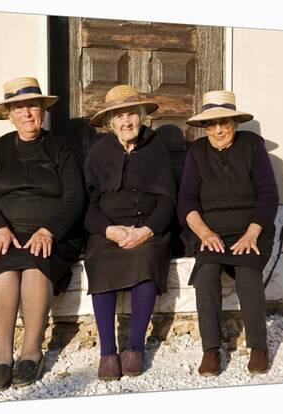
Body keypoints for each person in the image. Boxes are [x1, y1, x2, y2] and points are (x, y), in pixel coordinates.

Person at [0, 77, 85, 391]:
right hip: (5, 233)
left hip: (52, 234)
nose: (27, 113)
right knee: (5, 270)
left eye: (32, 105)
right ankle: (3, 355)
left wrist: (50, 230)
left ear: (42, 110)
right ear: (9, 114)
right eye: (19, 108)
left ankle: (31, 351)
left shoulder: (61, 148)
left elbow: (76, 196)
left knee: (35, 266)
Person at [177, 90, 279, 376]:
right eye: (212, 124)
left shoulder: (252, 146)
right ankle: (211, 350)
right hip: (212, 232)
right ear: (205, 127)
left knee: (247, 271)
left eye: (225, 122)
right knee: (207, 273)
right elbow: (186, 200)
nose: (219, 129)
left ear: (235, 123)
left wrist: (252, 234)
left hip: (250, 229)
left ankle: (258, 345)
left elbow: (269, 195)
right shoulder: (196, 152)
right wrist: (205, 233)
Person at [83, 85, 177, 381]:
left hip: (148, 228)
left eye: (131, 115)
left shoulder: (156, 148)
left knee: (146, 260)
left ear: (141, 117)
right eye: (119, 117)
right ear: (110, 123)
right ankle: (108, 351)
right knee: (99, 261)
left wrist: (147, 231)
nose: (126, 122)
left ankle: (135, 347)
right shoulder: (98, 152)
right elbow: (87, 205)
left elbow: (168, 200)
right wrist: (109, 230)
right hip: (109, 230)